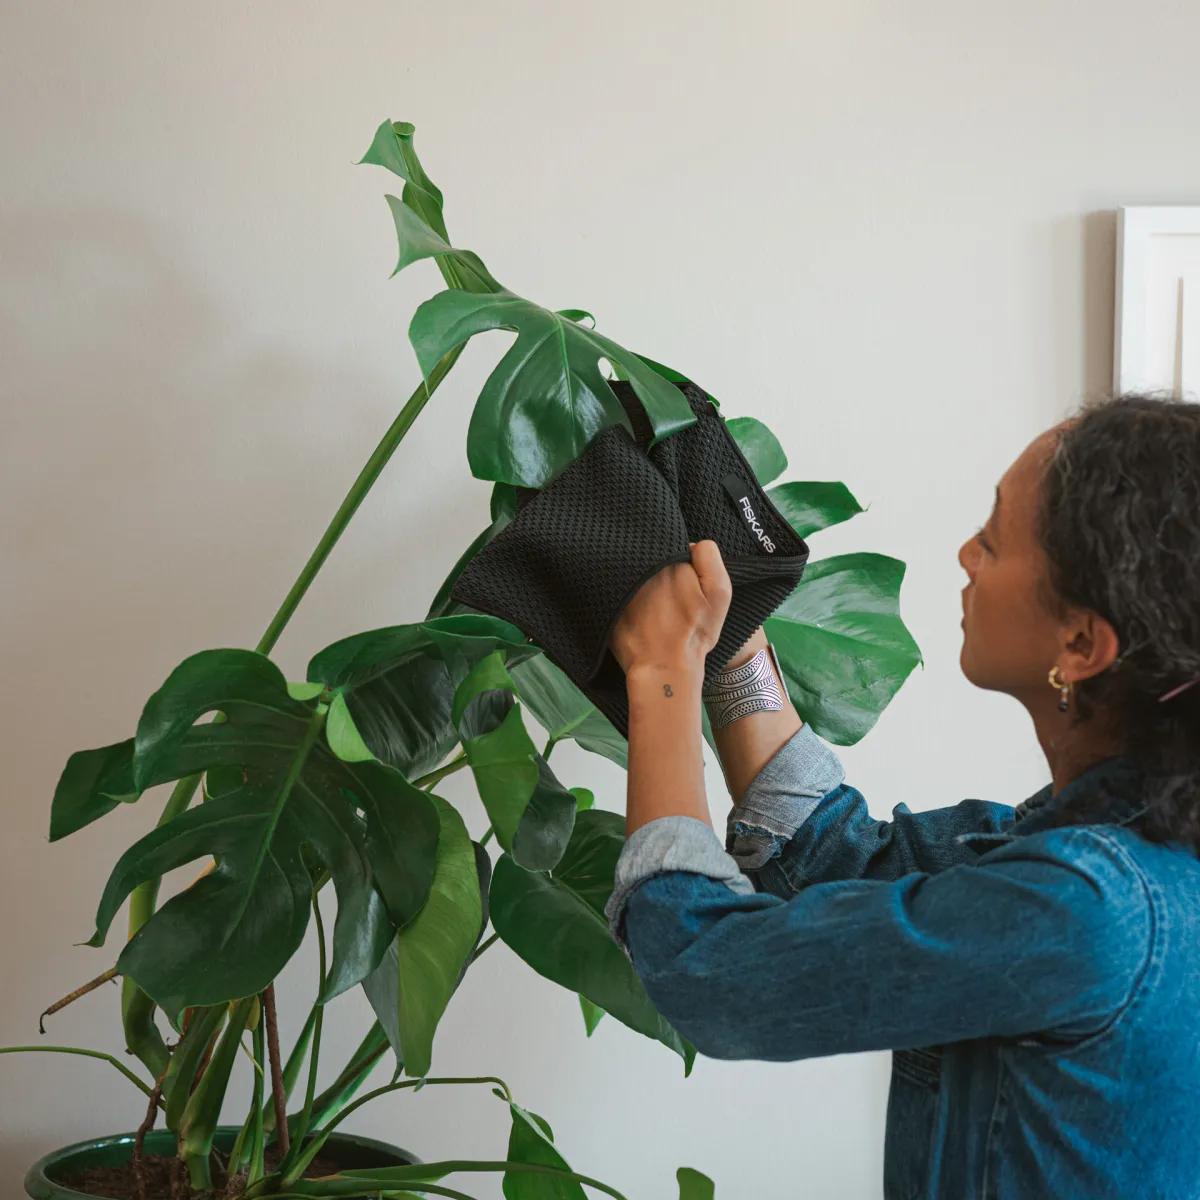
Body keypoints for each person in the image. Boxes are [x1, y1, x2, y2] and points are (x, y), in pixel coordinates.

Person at [603, 392, 1200, 1199]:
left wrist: (661, 675)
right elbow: (840, 856)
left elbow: (707, 971)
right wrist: (733, 646)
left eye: (993, 540)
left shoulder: (1086, 909)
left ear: (1082, 643)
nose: (965, 553)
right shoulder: (1127, 853)